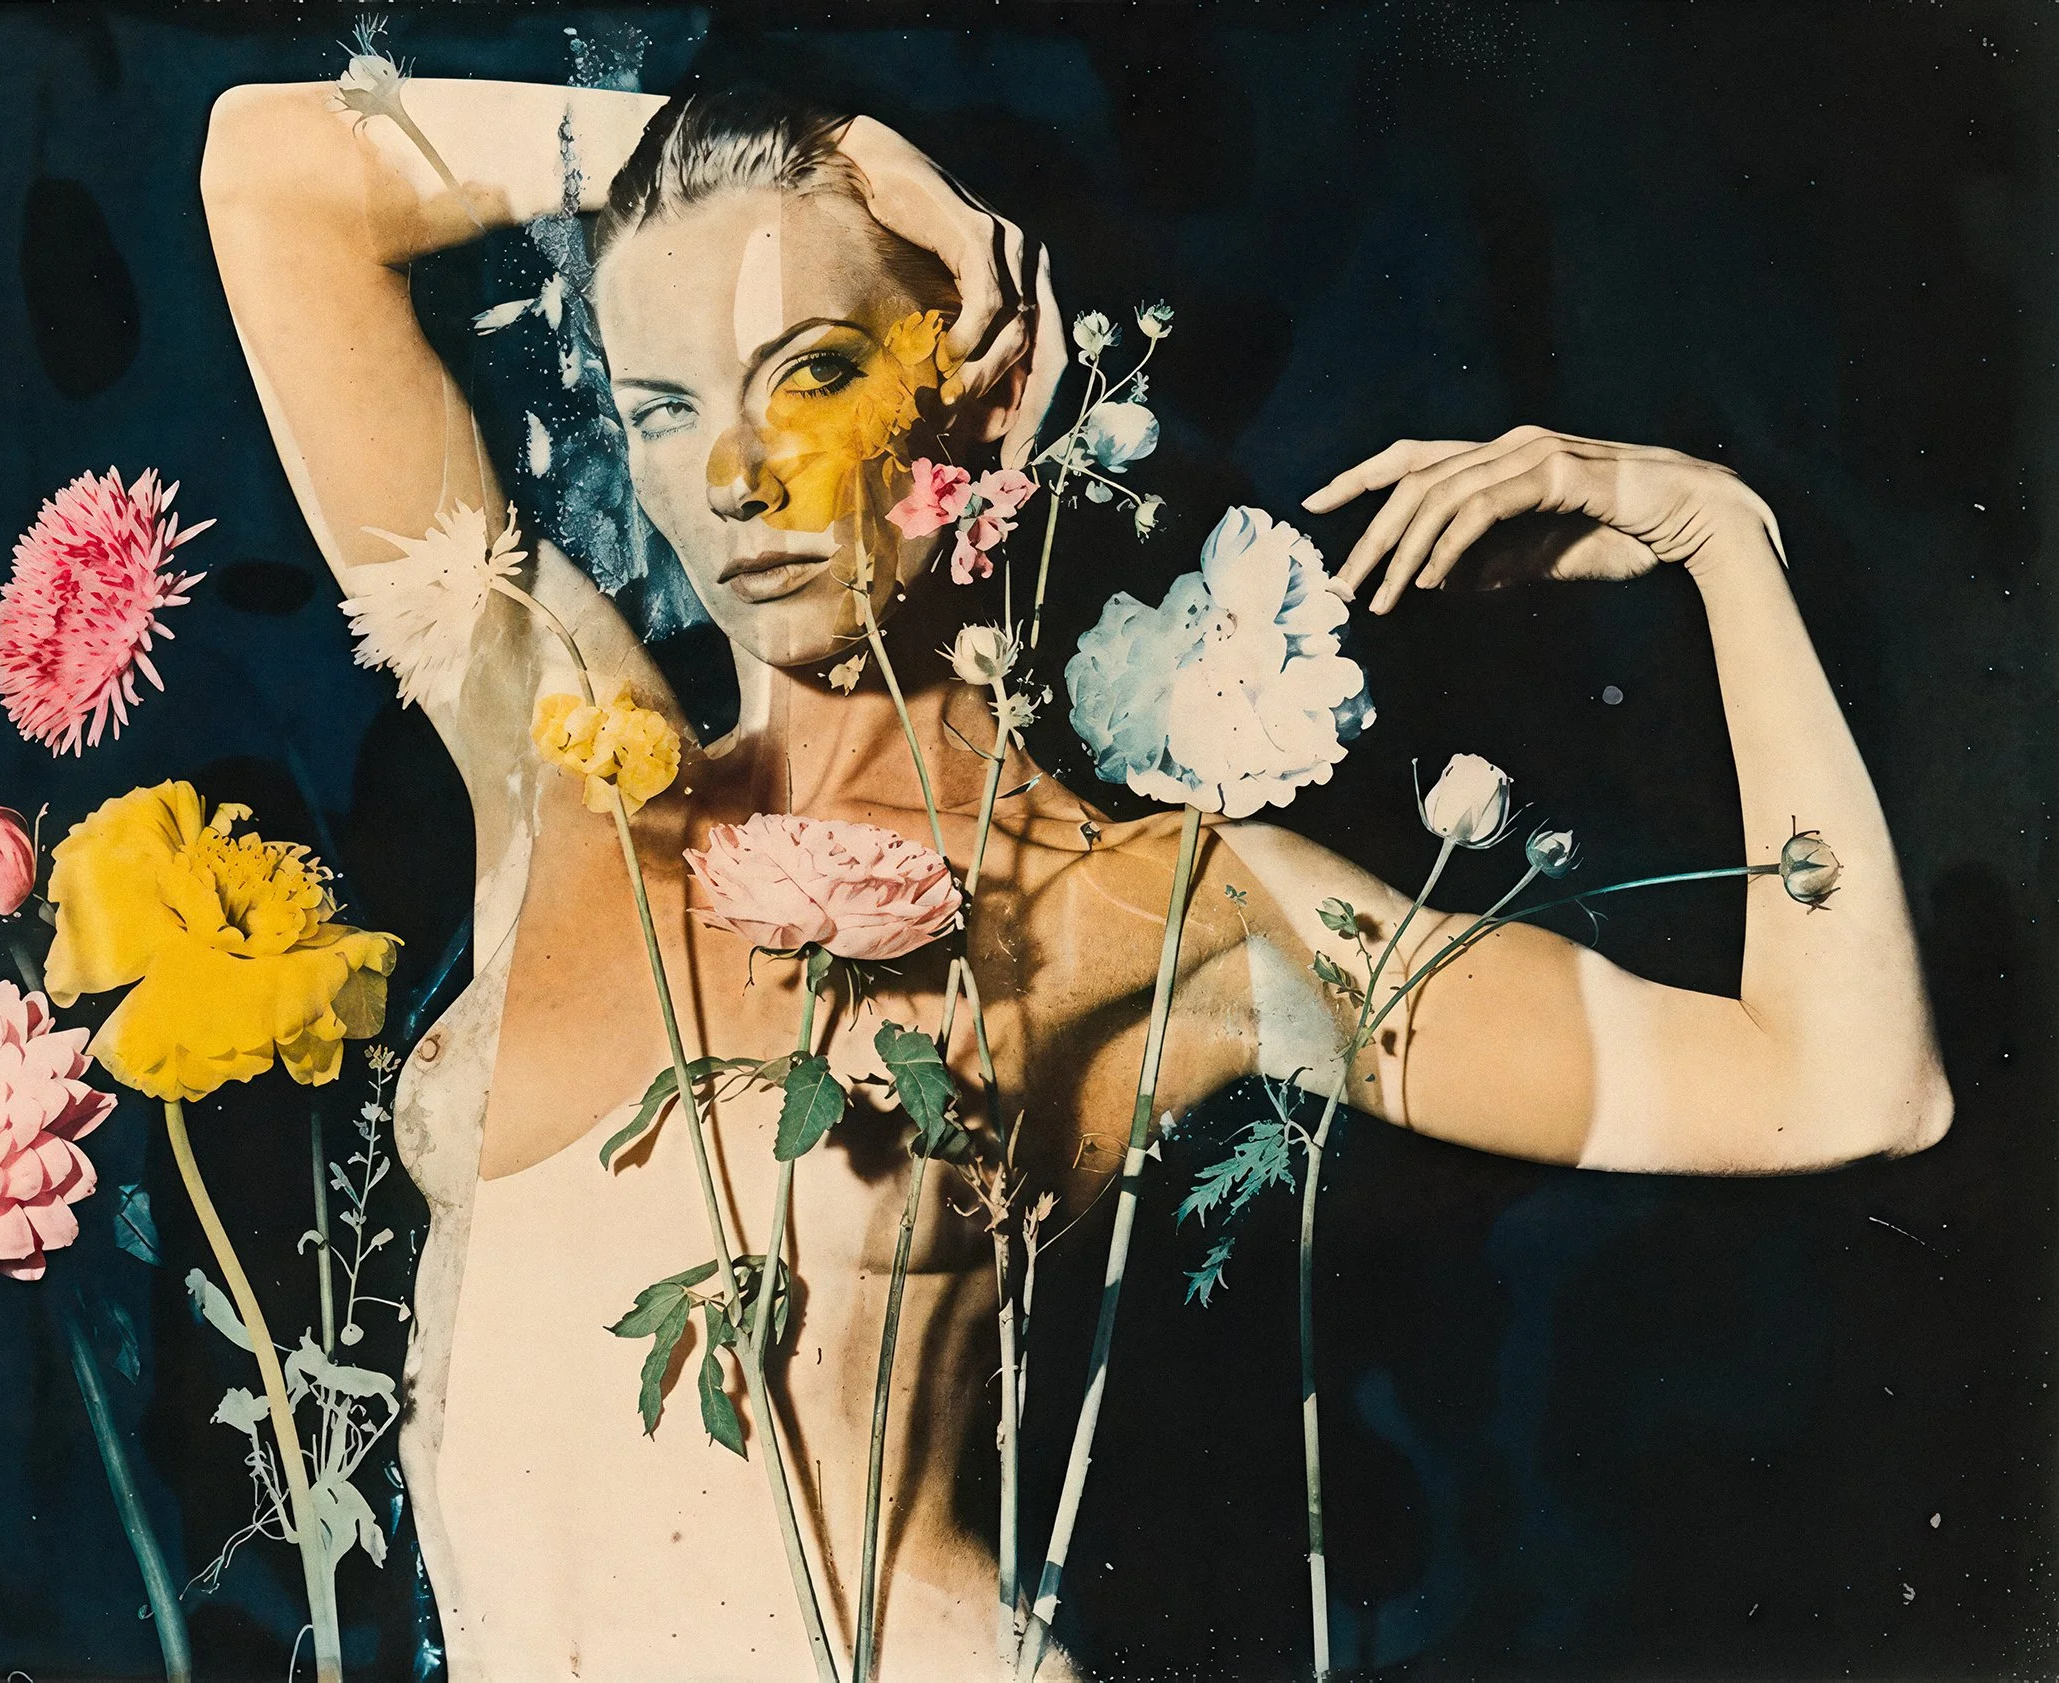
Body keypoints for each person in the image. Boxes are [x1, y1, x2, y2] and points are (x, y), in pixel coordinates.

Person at [200, 73, 1949, 1683]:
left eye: (811, 371)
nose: (733, 473)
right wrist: (847, 157)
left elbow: (1845, 1084)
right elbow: (271, 178)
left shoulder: (1142, 902)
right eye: (665, 405)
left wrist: (1726, 543)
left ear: (971, 377)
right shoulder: (573, 765)